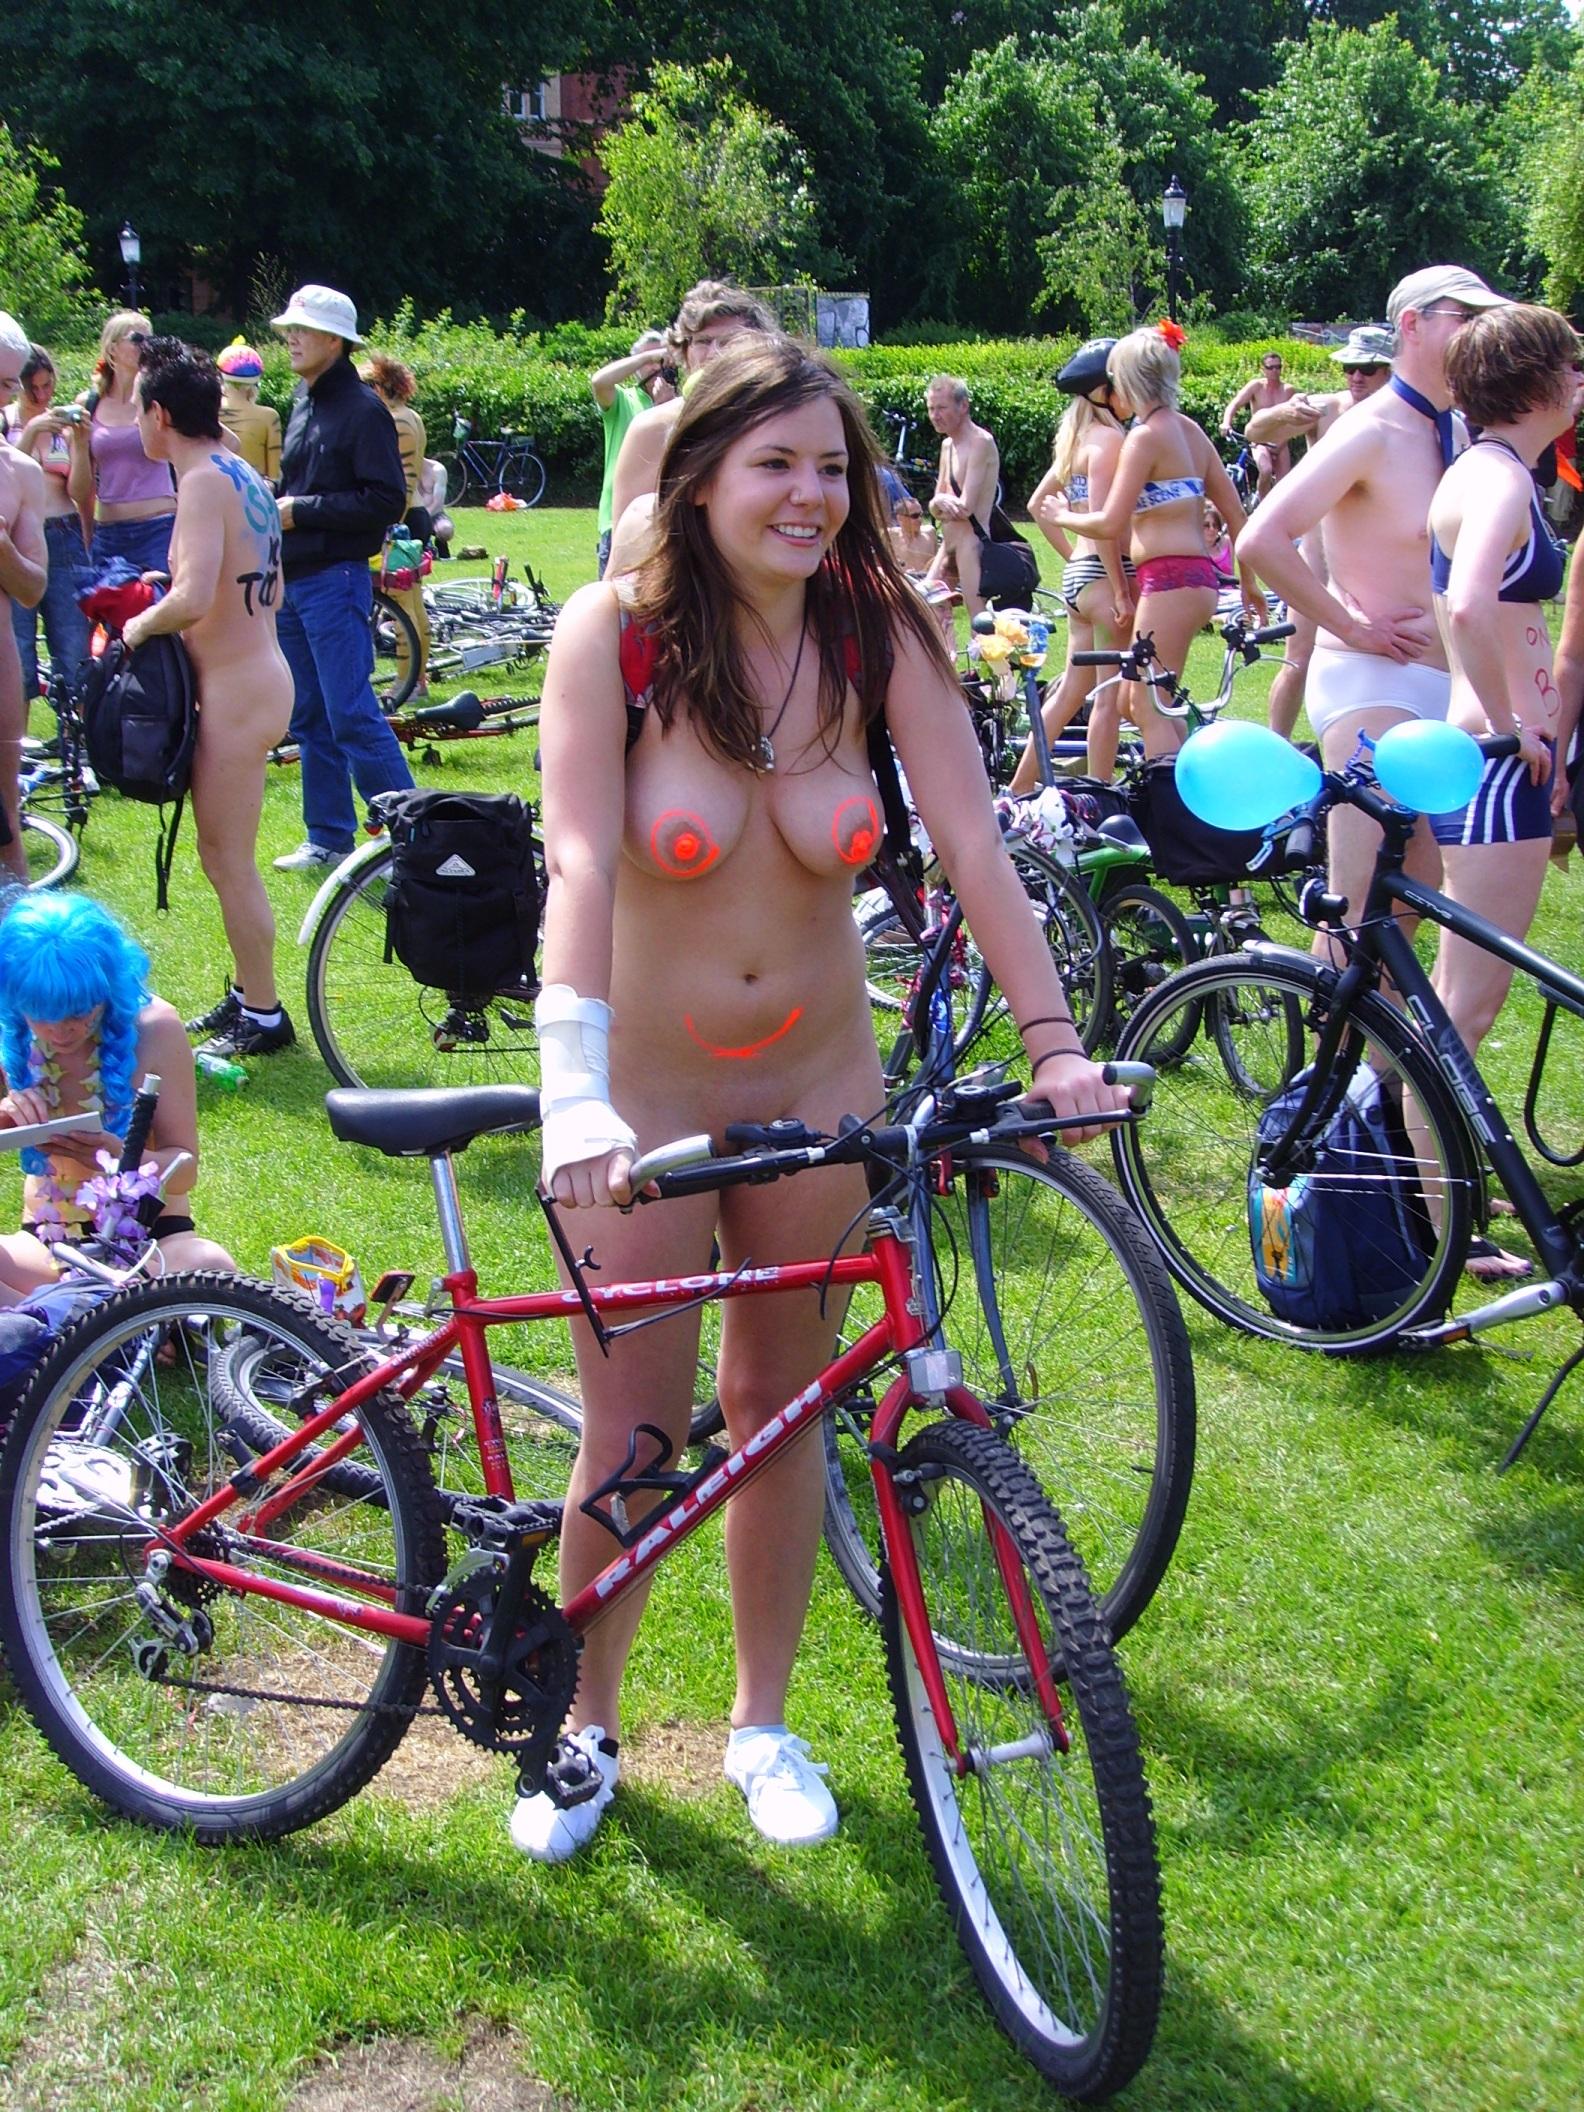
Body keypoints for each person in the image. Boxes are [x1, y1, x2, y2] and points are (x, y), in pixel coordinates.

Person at [516, 332, 1128, 1863]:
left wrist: (1053, 1041)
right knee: (633, 1430)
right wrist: (572, 1091)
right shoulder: (613, 635)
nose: (808, 494)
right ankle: (583, 1727)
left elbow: (975, 846)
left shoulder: (877, 633)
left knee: (782, 1411)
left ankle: (761, 1725)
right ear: (699, 474)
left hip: (818, 1087)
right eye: (773, 463)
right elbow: (582, 863)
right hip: (643, 1100)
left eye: (832, 466)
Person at [1238, 265, 1509, 962]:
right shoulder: (1371, 429)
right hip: (1371, 682)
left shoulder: (1460, 433)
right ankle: (1328, 1038)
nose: (1480, 333)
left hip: (1442, 688)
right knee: (1358, 904)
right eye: (1465, 318)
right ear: (1412, 325)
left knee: (1412, 901)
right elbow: (1262, 538)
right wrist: (1351, 626)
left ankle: (1373, 1040)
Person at [1426, 304, 1581, 1279]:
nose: (1583, 382)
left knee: (1462, 1004)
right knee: (1464, 1009)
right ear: (1535, 381)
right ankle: (1442, 1228)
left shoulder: (1492, 470)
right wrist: (1510, 720)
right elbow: (1471, 601)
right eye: (1574, 366)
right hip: (1493, 766)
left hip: (1490, 762)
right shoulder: (1497, 480)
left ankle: (1440, 1201)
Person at [117, 337, 295, 1061]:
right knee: (224, 856)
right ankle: (250, 992)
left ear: (160, 415)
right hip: (256, 677)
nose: (135, 421)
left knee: (227, 860)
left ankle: (264, 1013)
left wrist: (135, 626)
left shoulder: (198, 482)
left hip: (239, 691)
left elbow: (192, 598)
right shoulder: (233, 466)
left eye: (139, 409)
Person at [0, 890, 236, 1296]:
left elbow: (186, 1171)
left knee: (210, 1264)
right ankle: (96, 1316)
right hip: (46, 1247)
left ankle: (58, 1317)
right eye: (41, 1015)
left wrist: (117, 1157)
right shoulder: (11, 1031)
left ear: (106, 988)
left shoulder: (156, 1028)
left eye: (77, 1012)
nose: (60, 1031)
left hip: (151, 1244)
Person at [1054, 325, 1263, 775]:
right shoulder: (1191, 432)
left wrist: (1062, 516)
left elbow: (1109, 522)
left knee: (1147, 706)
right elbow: (1237, 515)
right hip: (1199, 580)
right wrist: (1249, 583)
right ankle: (1191, 786)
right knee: (1139, 701)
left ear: (1128, 381)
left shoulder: (1144, 438)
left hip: (1168, 581)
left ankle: (1170, 804)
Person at [267, 284, 412, 872]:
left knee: (350, 712)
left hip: (335, 579)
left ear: (334, 341)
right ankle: (328, 837)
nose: (291, 339)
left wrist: (301, 510)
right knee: (309, 716)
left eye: (302, 330)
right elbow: (299, 484)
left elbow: (386, 500)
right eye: (290, 330)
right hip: (295, 580)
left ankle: (412, 837)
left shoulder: (363, 410)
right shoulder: (302, 401)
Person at [1244, 326, 1395, 739]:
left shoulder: (1403, 420)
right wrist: (1284, 414)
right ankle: (1275, 747)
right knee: (1297, 659)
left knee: (1387, 656)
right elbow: (1256, 430)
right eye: (1349, 367)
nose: (1356, 377)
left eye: (1368, 368)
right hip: (1319, 556)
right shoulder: (1327, 409)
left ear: (1389, 370)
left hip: (1375, 561)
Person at [1010, 340, 1134, 791]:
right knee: (1108, 697)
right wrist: (1119, 589)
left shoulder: (1076, 443)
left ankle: (1018, 786)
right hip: (1106, 573)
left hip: (1080, 576)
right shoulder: (1110, 441)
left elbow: (1037, 505)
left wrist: (1072, 557)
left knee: (1069, 693)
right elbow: (1105, 523)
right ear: (1105, 393)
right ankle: (1101, 790)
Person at [608, 283, 775, 548]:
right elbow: (628, 550)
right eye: (703, 342)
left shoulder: (779, 423)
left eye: (731, 341)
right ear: (684, 352)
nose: (716, 353)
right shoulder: (652, 429)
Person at [5, 342, 92, 703]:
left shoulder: (63, 427)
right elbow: (6, 476)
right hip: (17, 538)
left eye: (47, 385)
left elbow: (80, 491)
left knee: (73, 646)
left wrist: (81, 444)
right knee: (17, 649)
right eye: (33, 389)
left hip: (62, 532)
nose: (42, 396)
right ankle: (16, 733)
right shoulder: (6, 422)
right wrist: (30, 432)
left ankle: (74, 732)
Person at [65, 309, 178, 575]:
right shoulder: (89, 404)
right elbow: (79, 492)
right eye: (137, 339)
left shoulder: (160, 400)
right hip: (109, 534)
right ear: (112, 348)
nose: (146, 346)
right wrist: (79, 445)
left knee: (157, 600)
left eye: (150, 339)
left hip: (158, 529)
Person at [0, 313, 47, 884]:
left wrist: (2, 549)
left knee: (5, 823)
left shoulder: (20, 472)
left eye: (8, 383)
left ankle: (14, 929)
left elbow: (34, 586)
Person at [360, 353, 430, 696]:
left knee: (402, 605)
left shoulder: (399, 421)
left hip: (402, 519)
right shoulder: (410, 416)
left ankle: (407, 682)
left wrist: (388, 527)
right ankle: (417, 680)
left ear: (379, 387)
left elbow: (405, 480)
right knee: (412, 602)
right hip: (412, 516)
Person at [590, 328, 673, 577]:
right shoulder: (624, 400)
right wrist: (647, 357)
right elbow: (599, 382)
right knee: (616, 593)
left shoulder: (679, 403)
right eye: (648, 362)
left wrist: (667, 405)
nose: (654, 367)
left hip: (666, 518)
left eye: (660, 361)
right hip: (619, 519)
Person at [920, 374, 1002, 619]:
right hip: (949, 542)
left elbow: (966, 508)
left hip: (971, 542)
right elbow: (935, 505)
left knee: (979, 619)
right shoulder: (947, 445)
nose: (935, 415)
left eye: (942, 408)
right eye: (931, 408)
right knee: (923, 608)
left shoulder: (980, 442)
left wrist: (941, 504)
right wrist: (939, 503)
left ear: (963, 405)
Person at [1220, 349, 1296, 501]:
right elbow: (1234, 404)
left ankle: (1279, 510)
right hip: (1260, 440)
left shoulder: (1288, 390)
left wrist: (1283, 441)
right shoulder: (1256, 386)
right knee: (1265, 470)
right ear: (1263, 369)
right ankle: (1262, 505)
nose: (1275, 371)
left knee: (1285, 486)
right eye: (1270, 367)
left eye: (1278, 367)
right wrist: (1226, 423)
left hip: (1281, 441)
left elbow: (1295, 418)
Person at [216, 339, 281, 483]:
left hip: (213, 488)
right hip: (254, 489)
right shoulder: (269, 417)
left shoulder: (208, 411)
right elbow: (274, 476)